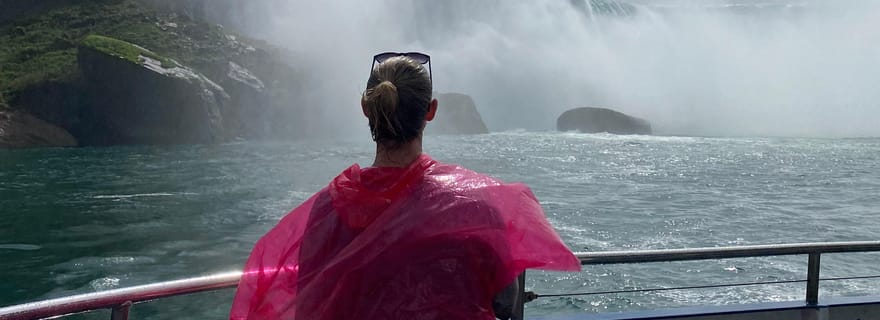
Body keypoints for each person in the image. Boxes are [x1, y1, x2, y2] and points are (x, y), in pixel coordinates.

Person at [229, 52, 581, 320]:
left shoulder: (328, 208)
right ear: (431, 111)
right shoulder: (474, 207)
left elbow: (308, 304)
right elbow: (505, 303)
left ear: (366, 108)